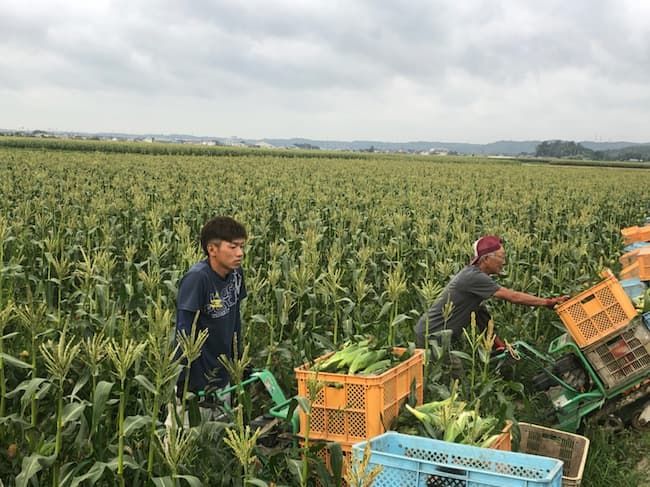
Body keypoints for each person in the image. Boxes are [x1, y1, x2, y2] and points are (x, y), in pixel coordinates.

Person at [415, 235, 568, 349]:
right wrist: (548, 302)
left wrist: (499, 346)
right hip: (432, 335)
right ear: (486, 259)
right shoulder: (473, 277)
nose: (504, 262)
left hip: (439, 336)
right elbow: (512, 296)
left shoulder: (474, 281)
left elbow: (481, 318)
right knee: (455, 377)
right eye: (501, 257)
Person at [175, 216, 247, 397]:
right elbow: (183, 329)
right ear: (212, 249)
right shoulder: (198, 278)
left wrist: (238, 359)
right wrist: (185, 379)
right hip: (196, 382)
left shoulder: (236, 274)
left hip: (223, 375)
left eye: (242, 246)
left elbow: (235, 317)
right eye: (233, 247)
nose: (240, 253)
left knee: (223, 425)